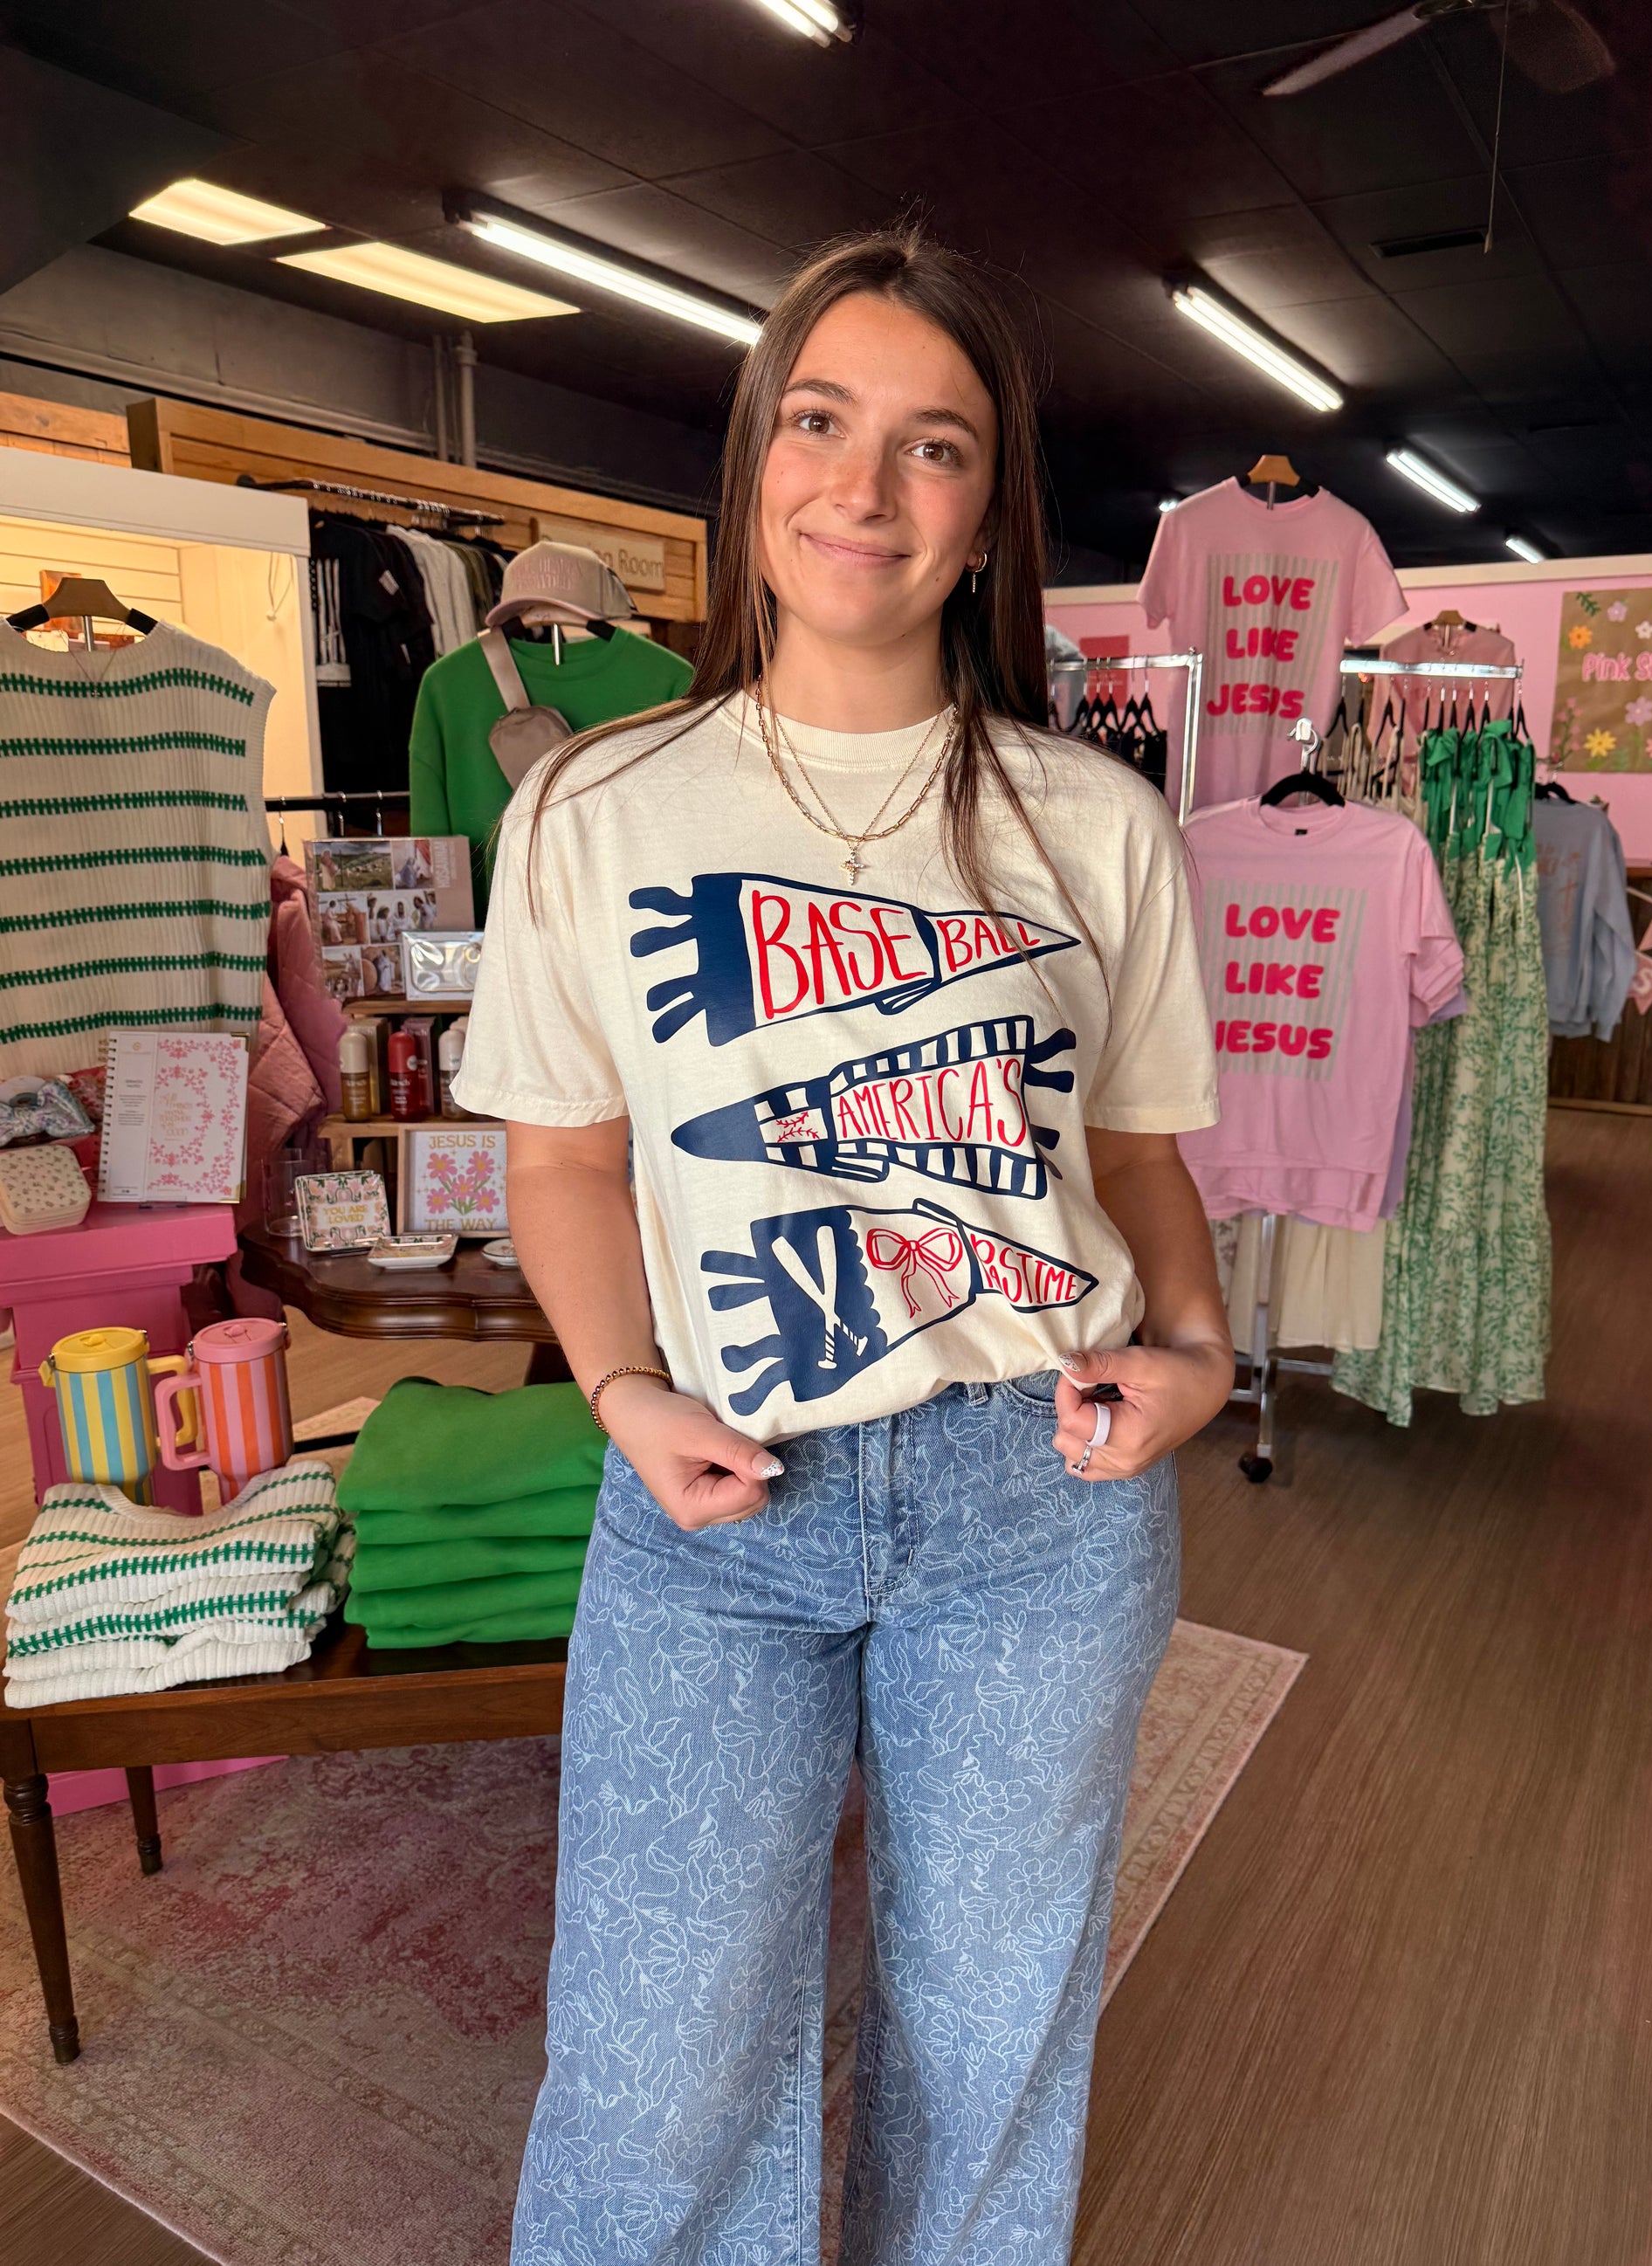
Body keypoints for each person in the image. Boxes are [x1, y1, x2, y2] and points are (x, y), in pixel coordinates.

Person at [457, 225, 1234, 2266]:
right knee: (653, 2063)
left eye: (931, 444)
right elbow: (564, 1162)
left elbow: (1139, 1158)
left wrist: (1200, 1351)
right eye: (817, 421)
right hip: (718, 1496)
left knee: (985, 2042)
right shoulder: (594, 805)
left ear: (986, 515)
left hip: (1033, 1494)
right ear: (752, 462)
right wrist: (622, 1389)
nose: (862, 487)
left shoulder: (1095, 820)